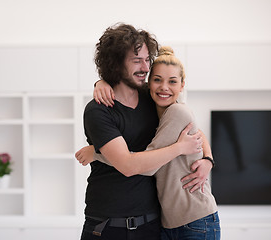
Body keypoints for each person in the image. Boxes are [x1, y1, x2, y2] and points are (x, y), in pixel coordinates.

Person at [78, 23, 212, 240]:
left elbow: (191, 127)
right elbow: (128, 166)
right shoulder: (98, 110)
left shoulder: (152, 97)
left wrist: (207, 159)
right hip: (107, 226)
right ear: (116, 63)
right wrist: (178, 148)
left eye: (147, 59)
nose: (145, 67)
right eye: (136, 60)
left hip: (151, 224)